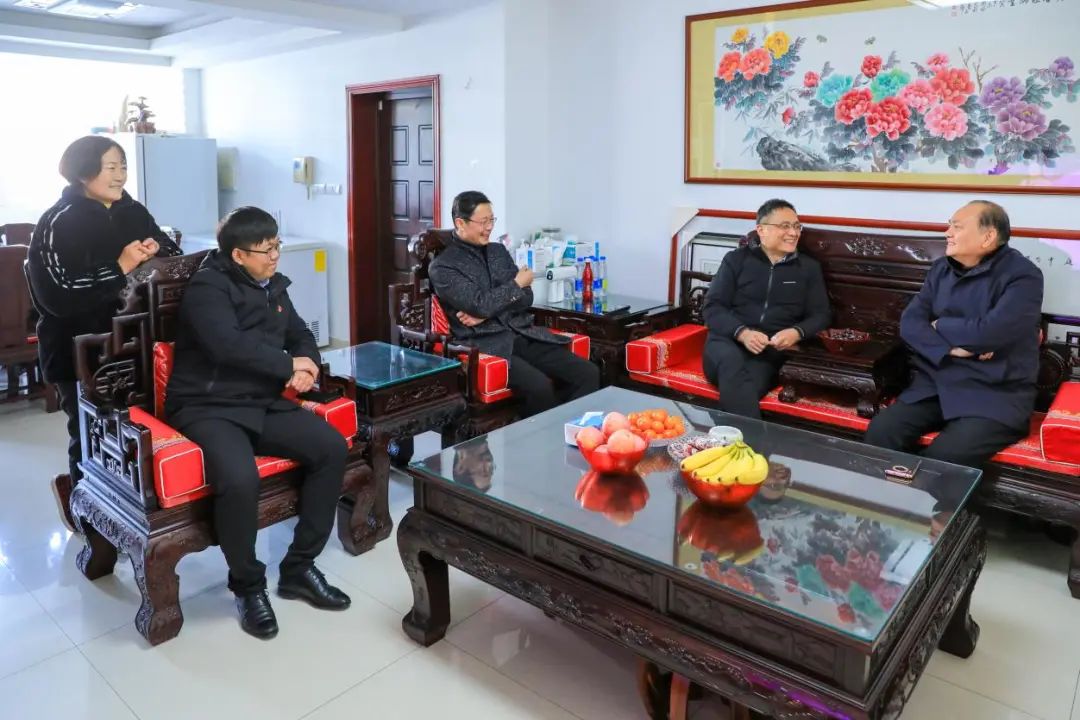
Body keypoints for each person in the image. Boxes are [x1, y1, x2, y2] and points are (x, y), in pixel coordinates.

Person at [165, 207, 350, 639]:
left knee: (330, 448)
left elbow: (300, 334)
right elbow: (227, 346)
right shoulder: (208, 288)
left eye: (277, 245)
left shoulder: (273, 285)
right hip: (208, 405)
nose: (275, 256)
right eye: (266, 250)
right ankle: (248, 587)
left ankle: (299, 567)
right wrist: (287, 367)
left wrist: (308, 366)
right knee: (239, 479)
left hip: (260, 400)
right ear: (238, 255)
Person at [27, 135, 182, 531]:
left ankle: (129, 511)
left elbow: (171, 256)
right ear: (83, 172)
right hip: (79, 350)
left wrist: (157, 251)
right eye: (111, 167)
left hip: (137, 344)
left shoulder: (132, 210)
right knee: (88, 433)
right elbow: (57, 296)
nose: (120, 175)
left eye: (123, 167)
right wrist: (120, 266)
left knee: (136, 431)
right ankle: (86, 513)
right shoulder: (58, 220)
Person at [864, 200, 1042, 468]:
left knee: (944, 460)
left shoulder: (1023, 276)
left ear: (988, 237)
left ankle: (925, 497)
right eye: (949, 225)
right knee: (881, 432)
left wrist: (940, 325)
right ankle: (888, 495)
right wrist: (949, 350)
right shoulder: (941, 269)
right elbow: (910, 323)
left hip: (994, 393)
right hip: (938, 382)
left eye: (957, 227)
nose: (947, 233)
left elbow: (989, 333)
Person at [428, 191, 599, 417]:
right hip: (487, 343)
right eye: (483, 222)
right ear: (461, 223)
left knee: (588, 373)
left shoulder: (497, 251)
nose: (489, 227)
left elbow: (526, 298)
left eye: (492, 220)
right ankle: (543, 436)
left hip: (521, 333)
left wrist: (486, 311)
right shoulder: (443, 267)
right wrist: (515, 285)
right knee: (539, 387)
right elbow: (481, 304)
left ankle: (571, 429)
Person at [702, 199, 831, 419]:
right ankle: (749, 441)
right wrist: (743, 333)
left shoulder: (808, 268)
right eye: (785, 226)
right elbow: (713, 307)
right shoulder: (736, 260)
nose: (793, 233)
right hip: (725, 342)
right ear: (761, 230)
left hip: (769, 351)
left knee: (746, 387)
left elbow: (821, 315)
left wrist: (796, 332)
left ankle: (728, 439)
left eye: (797, 226)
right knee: (731, 363)